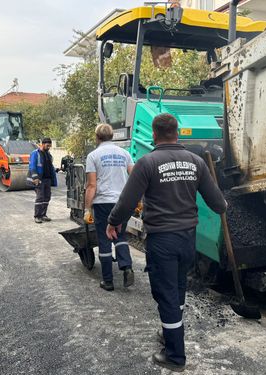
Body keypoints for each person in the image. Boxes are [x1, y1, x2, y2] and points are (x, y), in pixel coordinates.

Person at [106, 114, 226, 372]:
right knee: (178, 289)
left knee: (166, 294)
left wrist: (113, 221)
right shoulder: (196, 162)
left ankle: (175, 356)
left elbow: (127, 202)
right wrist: (223, 204)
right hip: (187, 239)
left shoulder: (147, 163)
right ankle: (170, 333)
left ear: (154, 134)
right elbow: (217, 203)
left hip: (162, 239)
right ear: (177, 133)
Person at [84, 124, 135, 291]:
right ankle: (126, 267)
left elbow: (92, 185)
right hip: (123, 202)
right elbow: (134, 177)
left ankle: (108, 281)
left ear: (97, 137)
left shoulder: (93, 156)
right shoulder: (125, 154)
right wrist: (137, 199)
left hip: (103, 203)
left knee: (104, 240)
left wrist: (87, 209)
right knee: (120, 236)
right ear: (112, 136)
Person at [29, 138, 57, 223]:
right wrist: (35, 178)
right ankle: (37, 216)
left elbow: (49, 166)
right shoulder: (35, 153)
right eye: (47, 145)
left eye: (50, 146)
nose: (49, 147)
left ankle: (43, 215)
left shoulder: (48, 154)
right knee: (40, 198)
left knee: (47, 197)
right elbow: (32, 166)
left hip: (47, 179)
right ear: (42, 144)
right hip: (39, 179)